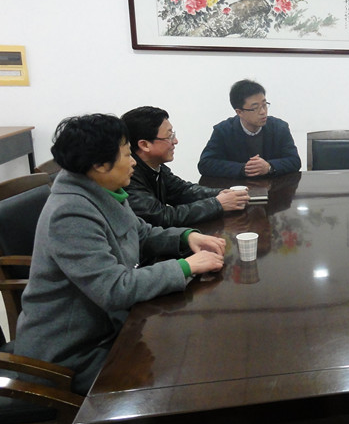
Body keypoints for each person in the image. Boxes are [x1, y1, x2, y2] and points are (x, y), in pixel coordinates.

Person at [13, 114, 226, 396]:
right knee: (172, 382)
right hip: (70, 354)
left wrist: (186, 236)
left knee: (183, 349)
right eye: (127, 154)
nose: (134, 162)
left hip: (108, 328)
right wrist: (184, 267)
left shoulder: (100, 189)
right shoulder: (70, 213)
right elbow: (114, 289)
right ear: (100, 164)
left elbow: (141, 232)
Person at [122, 106, 250, 227]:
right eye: (169, 136)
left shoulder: (155, 166)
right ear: (144, 145)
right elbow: (161, 217)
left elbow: (182, 191)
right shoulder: (128, 176)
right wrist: (217, 204)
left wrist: (220, 193)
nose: (175, 141)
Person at [198, 79, 301, 178]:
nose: (263, 112)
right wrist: (243, 169)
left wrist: (269, 167)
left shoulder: (279, 128)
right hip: (237, 187)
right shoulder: (223, 131)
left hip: (275, 186)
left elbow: (294, 161)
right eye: (255, 108)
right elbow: (205, 164)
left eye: (264, 105)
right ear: (239, 112)